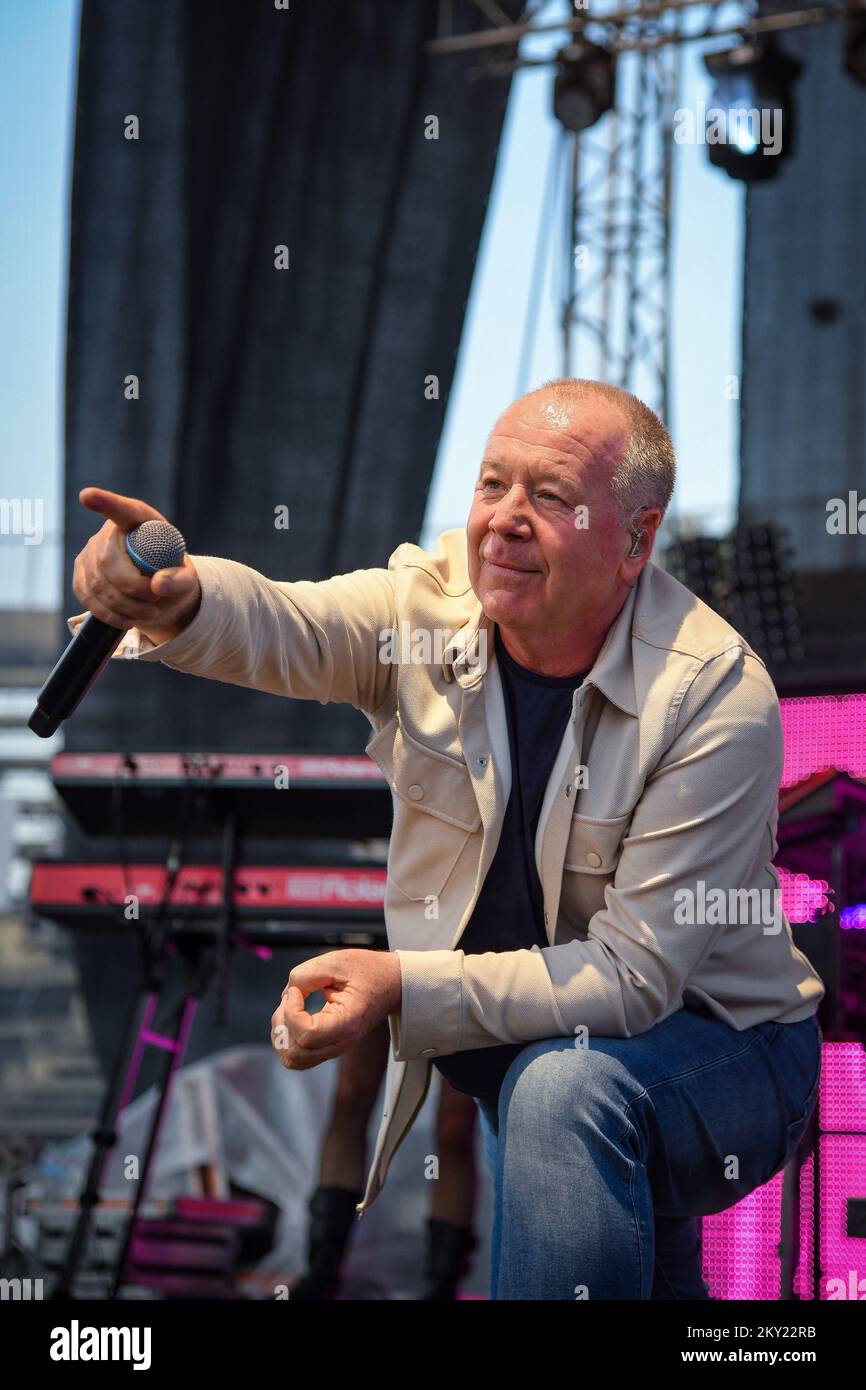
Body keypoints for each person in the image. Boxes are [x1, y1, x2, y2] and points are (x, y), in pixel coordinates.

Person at [68, 377, 825, 1300]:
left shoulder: (712, 695)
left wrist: (399, 983)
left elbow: (631, 980)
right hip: (551, 1054)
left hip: (732, 1053)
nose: (504, 520)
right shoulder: (428, 610)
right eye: (492, 485)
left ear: (637, 541)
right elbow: (290, 623)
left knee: (559, 1093)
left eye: (548, 497)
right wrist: (180, 599)